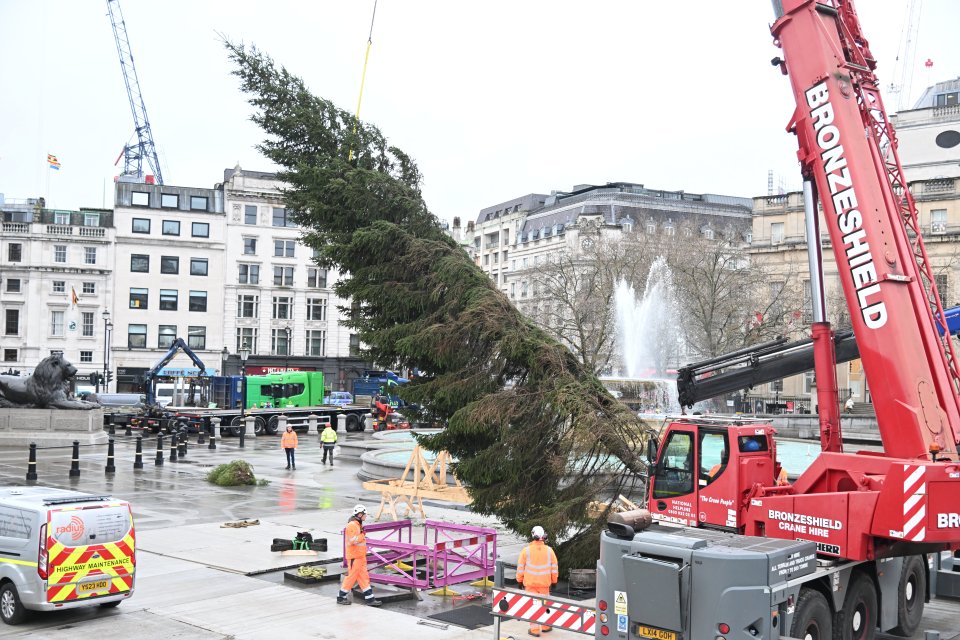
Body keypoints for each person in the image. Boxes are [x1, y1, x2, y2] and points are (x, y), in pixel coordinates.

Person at [516, 525, 558, 637]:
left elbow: (520, 567)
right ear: (544, 536)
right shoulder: (550, 551)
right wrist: (554, 581)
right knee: (545, 605)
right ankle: (546, 626)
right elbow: (554, 568)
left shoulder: (526, 551)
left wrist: (519, 581)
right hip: (544, 585)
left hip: (530, 585)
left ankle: (534, 630)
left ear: (532, 535)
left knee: (533, 606)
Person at [337, 504, 382, 606]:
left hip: (360, 557)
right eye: (365, 514)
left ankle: (370, 599)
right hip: (354, 557)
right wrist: (362, 535)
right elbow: (353, 540)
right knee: (351, 578)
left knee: (364, 578)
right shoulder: (352, 525)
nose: (366, 516)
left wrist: (362, 535)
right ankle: (341, 597)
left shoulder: (357, 524)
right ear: (360, 514)